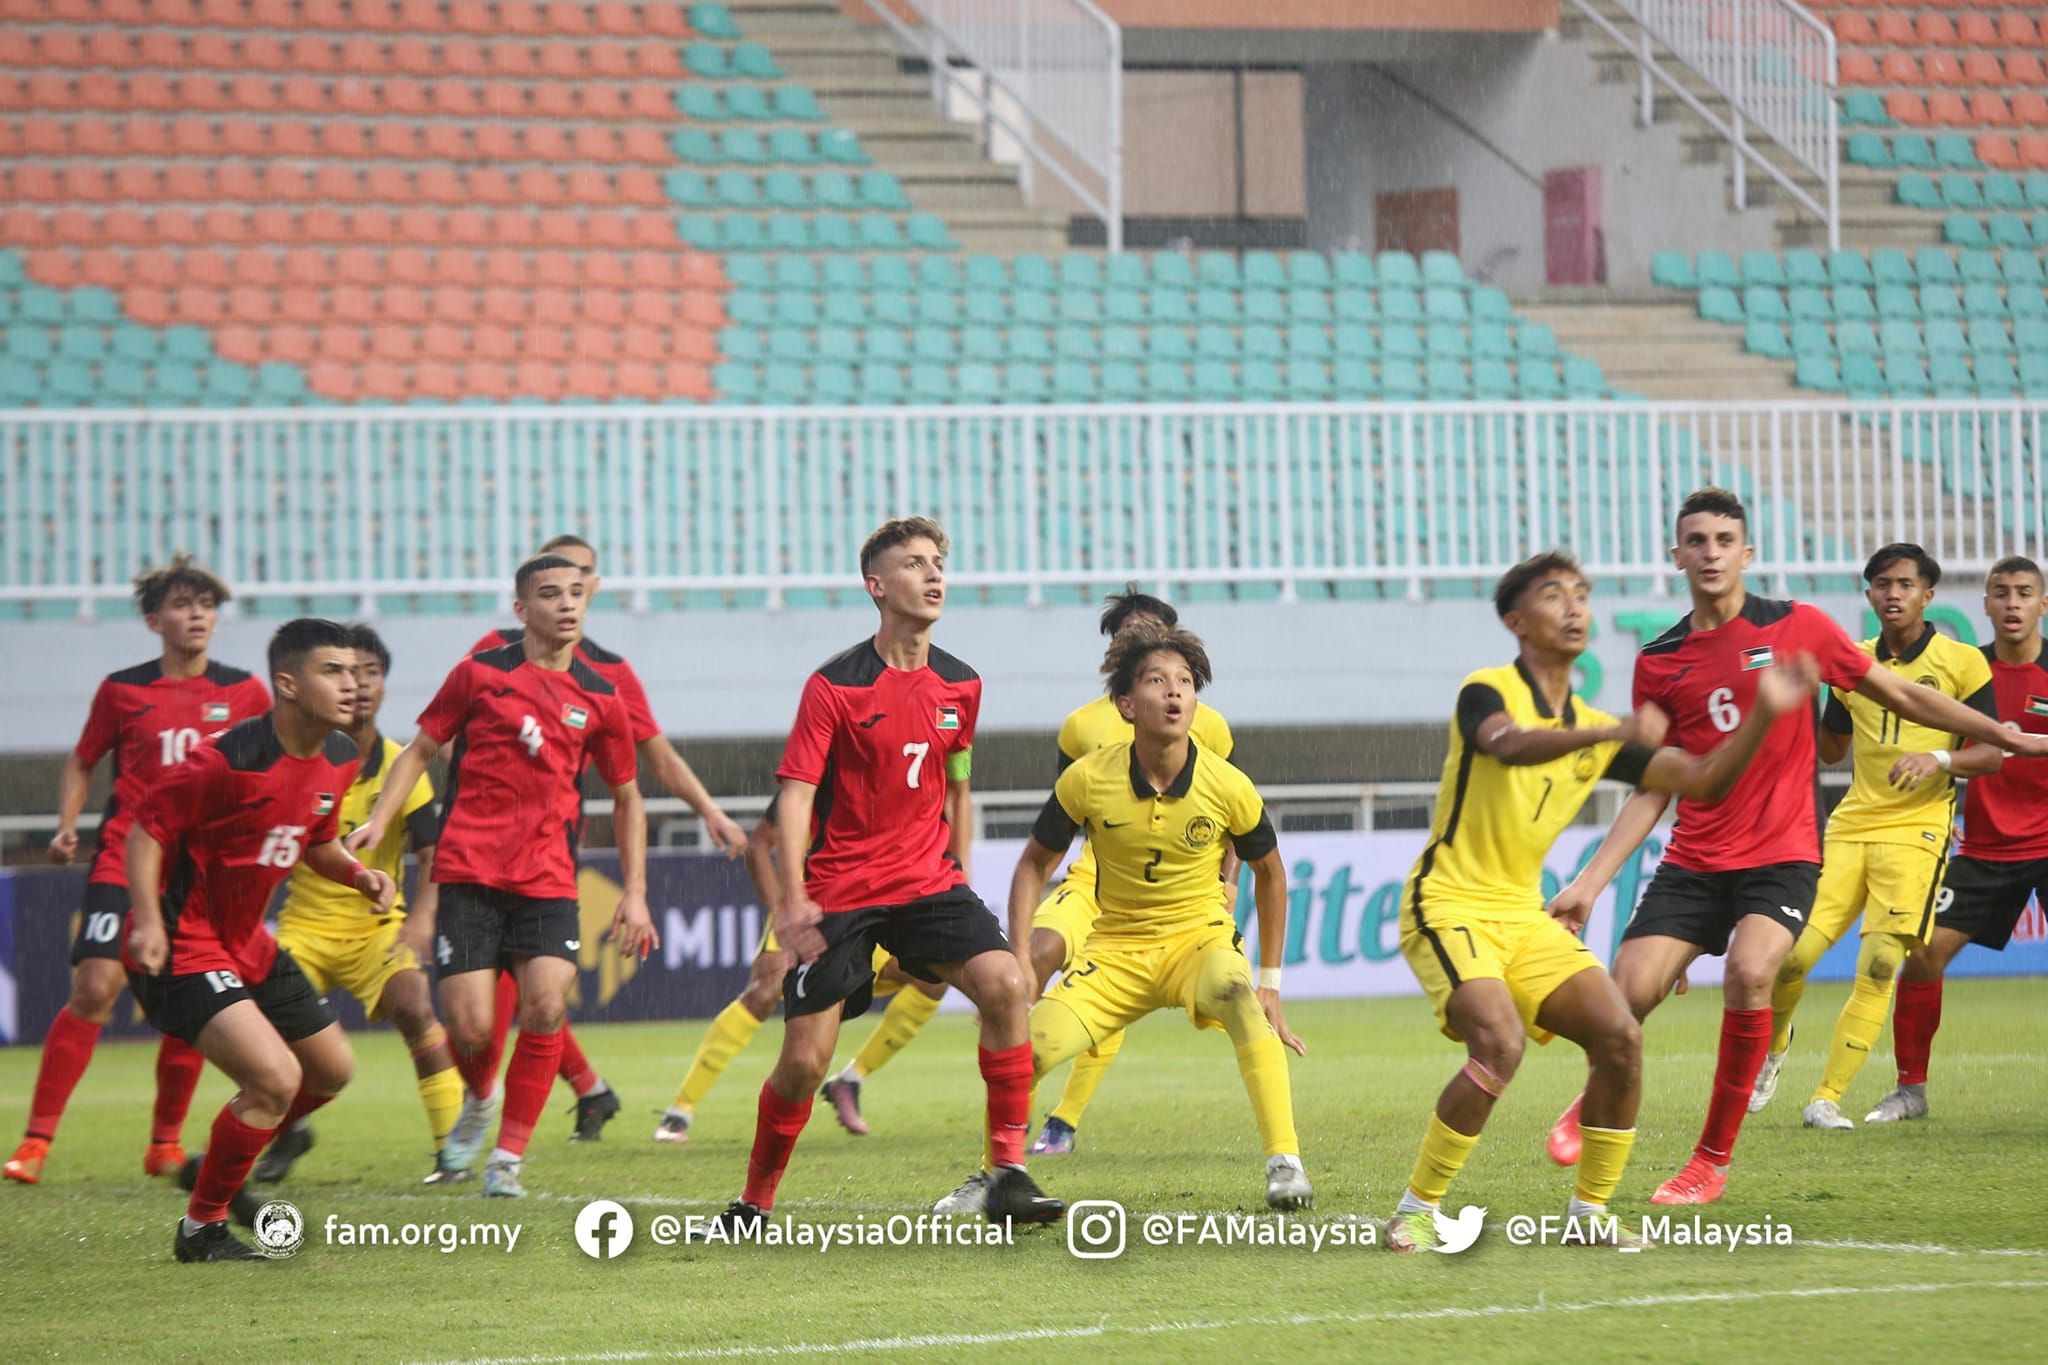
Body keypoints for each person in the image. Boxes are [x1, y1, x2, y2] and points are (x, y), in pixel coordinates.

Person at [1545, 490, 2047, 1206]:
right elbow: (1654, 787)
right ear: (1677, 555)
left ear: (1747, 552)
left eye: (1725, 538)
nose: (1711, 551)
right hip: (1695, 857)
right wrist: (1591, 882)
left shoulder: (1800, 627)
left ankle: (1708, 1162)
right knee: (1625, 995)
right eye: (1697, 540)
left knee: (1753, 971)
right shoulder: (1660, 659)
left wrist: (2003, 735)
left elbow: (1901, 695)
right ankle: (1590, 1092)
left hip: (1783, 853)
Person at [1384, 553, 1819, 1251]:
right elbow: (1510, 746)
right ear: (1516, 620)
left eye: (1582, 593)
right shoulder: (1488, 690)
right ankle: (1414, 1208)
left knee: (1620, 1037)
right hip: (1449, 902)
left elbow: (1702, 779)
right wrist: (1611, 732)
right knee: (1499, 1042)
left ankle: (1589, 1215)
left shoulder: (1592, 723)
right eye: (1554, 595)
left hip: (1522, 914)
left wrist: (1763, 716)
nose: (1575, 606)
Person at [695, 517, 1061, 1232]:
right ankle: (752, 1205)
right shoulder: (833, 686)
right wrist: (795, 900)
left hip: (928, 880)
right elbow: (796, 795)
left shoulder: (963, 683)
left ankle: (1008, 1173)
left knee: (1007, 983)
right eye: (915, 564)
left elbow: (957, 782)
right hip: (839, 891)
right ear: (877, 586)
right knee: (804, 1064)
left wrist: (960, 864)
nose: (934, 576)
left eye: (939, 564)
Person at [349, 555, 656, 1198]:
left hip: (548, 880)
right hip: (469, 873)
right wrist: (380, 821)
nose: (567, 604)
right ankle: (481, 1098)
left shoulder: (602, 694)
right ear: (522, 610)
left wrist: (634, 892)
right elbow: (420, 750)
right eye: (550, 594)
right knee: (471, 1030)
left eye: (576, 592)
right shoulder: (479, 675)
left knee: (545, 1006)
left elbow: (628, 797)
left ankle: (507, 1159)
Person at [1006, 624, 1312, 1211]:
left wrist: (1270, 982)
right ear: (1126, 704)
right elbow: (1030, 866)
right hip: (1114, 949)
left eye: (1186, 682)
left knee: (1240, 997)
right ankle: (998, 1175)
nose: (1174, 692)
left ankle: (1285, 1164)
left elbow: (1272, 875)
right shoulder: (1087, 778)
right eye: (1156, 681)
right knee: (1026, 1049)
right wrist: (1021, 958)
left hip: (1198, 941)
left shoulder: (1230, 786)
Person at [122, 618, 396, 1261]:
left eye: (357, 673)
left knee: (331, 1070)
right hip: (186, 942)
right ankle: (203, 1228)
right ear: (289, 683)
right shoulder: (225, 759)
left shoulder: (338, 758)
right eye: (334, 672)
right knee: (274, 1079)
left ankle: (220, 1163)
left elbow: (316, 842)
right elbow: (146, 831)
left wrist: (359, 876)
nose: (353, 685)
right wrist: (149, 922)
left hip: (246, 942)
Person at [464, 534, 748, 1144]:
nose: (574, 588)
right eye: (560, 579)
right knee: (483, 1011)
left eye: (585, 577)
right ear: (529, 595)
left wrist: (709, 810)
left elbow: (653, 759)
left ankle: (492, 1126)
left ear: (593, 586)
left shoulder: (609, 675)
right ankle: (576, 1089)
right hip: (472, 848)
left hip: (548, 853)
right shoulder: (490, 655)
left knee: (530, 994)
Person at [6, 556, 271, 1187]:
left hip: (201, 872)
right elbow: (81, 760)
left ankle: (164, 1144)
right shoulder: (122, 689)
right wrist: (69, 823)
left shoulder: (246, 693)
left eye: (206, 604)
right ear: (155, 620)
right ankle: (36, 1143)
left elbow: (266, 772)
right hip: (128, 852)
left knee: (192, 998)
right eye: (182, 605)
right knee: (96, 987)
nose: (197, 615)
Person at [1754, 545, 1999, 1129]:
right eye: (1883, 584)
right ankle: (1775, 1047)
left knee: (1883, 963)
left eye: (1906, 584)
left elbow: (1989, 754)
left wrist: (1939, 758)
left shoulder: (1963, 663)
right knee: (1789, 959)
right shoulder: (1851, 664)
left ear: (1928, 595)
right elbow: (1831, 747)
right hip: (1851, 826)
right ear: (1868, 594)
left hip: (1917, 830)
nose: (1894, 594)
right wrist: (1798, 697)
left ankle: (1826, 1098)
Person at [1026, 586, 1236, 1159]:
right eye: (1125, 630)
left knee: (1114, 989)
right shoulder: (1080, 727)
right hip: (1091, 875)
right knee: (1038, 949)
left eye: (1147, 626)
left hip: (1167, 892)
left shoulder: (1208, 723)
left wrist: (1229, 882)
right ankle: (1016, 1059)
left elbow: (1233, 813)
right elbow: (1064, 813)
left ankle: (1063, 1121)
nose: (1136, 634)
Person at [256, 623, 467, 1184]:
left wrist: (421, 918)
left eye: (369, 673)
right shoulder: (300, 757)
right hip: (305, 926)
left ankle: (453, 1151)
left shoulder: (403, 764)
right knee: (266, 1037)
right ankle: (286, 1129)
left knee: (414, 1003)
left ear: (383, 686)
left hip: (377, 926)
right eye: (345, 672)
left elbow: (433, 852)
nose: (359, 684)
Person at [1868, 555, 2048, 1123]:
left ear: (2043, 604)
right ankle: (1910, 1092)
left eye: (2025, 593)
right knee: (1921, 956)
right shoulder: (1969, 671)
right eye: (2001, 592)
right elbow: (1954, 749)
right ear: (1986, 604)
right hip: (1985, 848)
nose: (2013, 603)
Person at [655, 801, 947, 1144]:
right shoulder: (815, 774)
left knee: (932, 977)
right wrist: (782, 912)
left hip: (868, 905)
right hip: (807, 904)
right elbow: (759, 845)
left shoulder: (892, 773)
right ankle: (680, 1110)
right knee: (764, 991)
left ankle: (851, 1079)